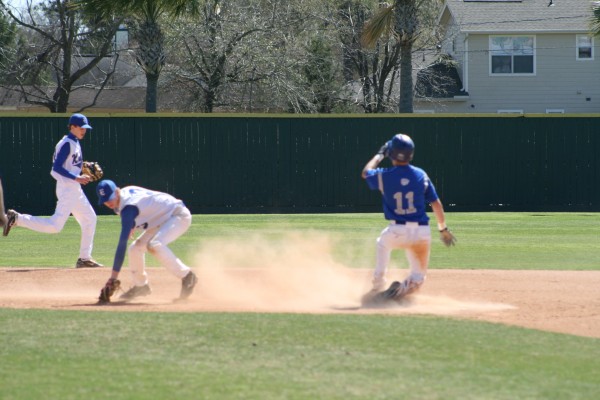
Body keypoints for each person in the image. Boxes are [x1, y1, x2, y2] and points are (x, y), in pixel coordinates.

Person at [361, 133, 456, 304]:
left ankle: (377, 286)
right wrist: (443, 229)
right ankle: (401, 290)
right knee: (418, 279)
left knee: (382, 244)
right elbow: (436, 204)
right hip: (421, 232)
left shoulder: (385, 175)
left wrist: (379, 154)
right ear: (411, 154)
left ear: (391, 153)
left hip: (396, 230)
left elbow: (366, 173)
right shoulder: (421, 175)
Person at [2, 114, 103, 268]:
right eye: (81, 127)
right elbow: (56, 168)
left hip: (74, 189)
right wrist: (76, 177)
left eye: (85, 128)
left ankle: (84, 258)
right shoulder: (67, 143)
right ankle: (17, 219)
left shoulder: (74, 142)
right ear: (73, 127)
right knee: (55, 226)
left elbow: (69, 164)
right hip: (68, 189)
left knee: (90, 218)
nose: (84, 130)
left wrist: (82, 166)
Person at [96, 179, 198, 301]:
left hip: (177, 216)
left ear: (117, 191)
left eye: (110, 198)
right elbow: (147, 205)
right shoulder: (123, 198)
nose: (108, 202)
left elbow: (122, 243)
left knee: (154, 245)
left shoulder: (128, 207)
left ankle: (187, 276)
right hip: (160, 219)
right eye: (105, 200)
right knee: (135, 249)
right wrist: (132, 223)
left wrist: (113, 278)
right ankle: (141, 286)